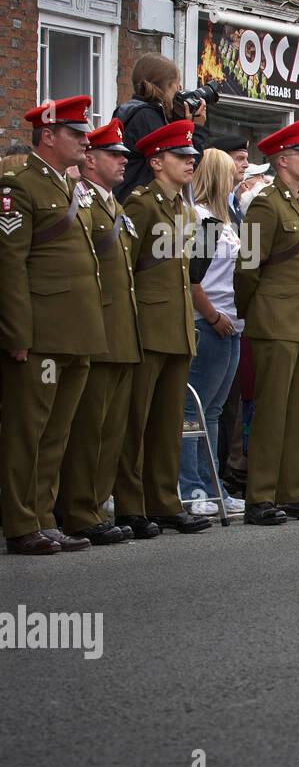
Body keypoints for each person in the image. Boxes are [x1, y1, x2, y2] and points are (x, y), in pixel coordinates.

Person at [1, 97, 106, 554]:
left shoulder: (68, 186)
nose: (86, 140)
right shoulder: (18, 185)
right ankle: (21, 522)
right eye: (75, 132)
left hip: (75, 330)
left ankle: (44, 516)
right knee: (29, 430)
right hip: (41, 332)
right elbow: (11, 264)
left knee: (57, 431)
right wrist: (17, 333)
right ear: (48, 135)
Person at [115, 119, 211, 536]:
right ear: (156, 162)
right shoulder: (141, 204)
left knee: (168, 422)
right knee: (137, 421)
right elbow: (127, 272)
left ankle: (164, 501)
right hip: (148, 326)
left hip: (175, 325)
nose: (190, 162)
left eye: (192, 156)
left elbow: (186, 271)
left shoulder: (181, 208)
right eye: (181, 156)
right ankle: (131, 506)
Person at [234, 119, 299, 526]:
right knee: (271, 412)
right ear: (282, 159)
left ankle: (291, 492)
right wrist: (254, 312)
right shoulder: (265, 203)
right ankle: (261, 496)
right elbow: (248, 264)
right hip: (274, 320)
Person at [57, 118, 139, 546]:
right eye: (114, 154)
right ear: (90, 160)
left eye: (124, 155)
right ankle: (78, 509)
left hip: (121, 329)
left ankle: (96, 505)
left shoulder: (114, 205)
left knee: (111, 428)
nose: (123, 162)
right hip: (97, 328)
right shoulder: (84, 202)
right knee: (90, 427)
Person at [180, 147, 246, 518]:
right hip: (210, 323)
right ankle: (190, 486)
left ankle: (213, 484)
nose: (241, 172)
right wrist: (212, 315)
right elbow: (193, 280)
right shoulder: (204, 220)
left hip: (231, 325)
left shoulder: (227, 220)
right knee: (194, 410)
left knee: (214, 411)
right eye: (232, 170)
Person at [112, 52, 209, 201]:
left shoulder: (133, 111)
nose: (179, 90)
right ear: (166, 87)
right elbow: (179, 168)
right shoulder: (146, 117)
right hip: (143, 205)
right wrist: (195, 129)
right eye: (177, 85)